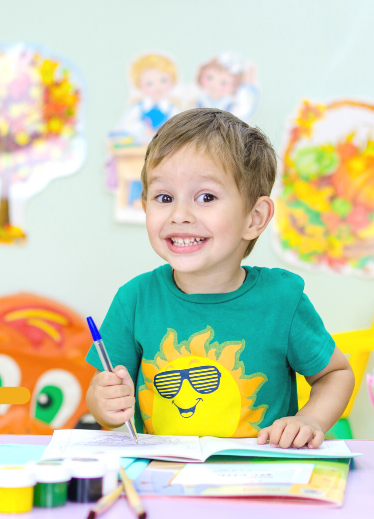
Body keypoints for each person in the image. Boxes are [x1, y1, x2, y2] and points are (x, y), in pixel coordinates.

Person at [86, 109, 354, 449]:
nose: (179, 215)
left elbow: (335, 373)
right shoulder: (135, 300)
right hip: (163, 473)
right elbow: (103, 397)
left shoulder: (283, 300)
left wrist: (310, 419)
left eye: (206, 197)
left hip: (257, 475)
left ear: (254, 218)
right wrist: (105, 403)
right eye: (164, 198)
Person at [196, 52, 259, 120]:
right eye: (209, 77)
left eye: (223, 83)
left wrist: (248, 83)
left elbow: (244, 112)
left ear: (234, 87)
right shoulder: (201, 100)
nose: (214, 85)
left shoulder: (229, 104)